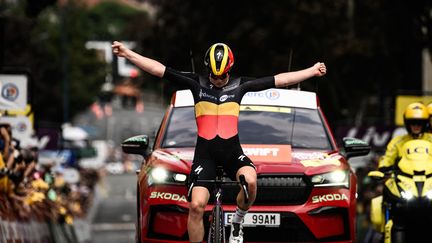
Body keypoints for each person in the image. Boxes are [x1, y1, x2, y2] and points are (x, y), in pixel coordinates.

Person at [112, 41, 326, 243]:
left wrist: (312, 70)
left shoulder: (241, 86)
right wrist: (127, 54)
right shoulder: (196, 84)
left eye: (222, 76)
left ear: (229, 70)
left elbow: (281, 79)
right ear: (208, 70)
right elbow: (158, 69)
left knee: (251, 182)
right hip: (205, 156)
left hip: (232, 152)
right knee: (196, 207)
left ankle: (238, 222)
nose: (218, 80)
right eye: (214, 76)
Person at [378, 102, 432, 172]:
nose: (416, 126)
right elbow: (388, 158)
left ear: (425, 124)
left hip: (429, 179)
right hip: (403, 179)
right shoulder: (398, 141)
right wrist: (383, 167)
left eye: (420, 123)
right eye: (413, 123)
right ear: (408, 124)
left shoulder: (431, 139)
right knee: (388, 182)